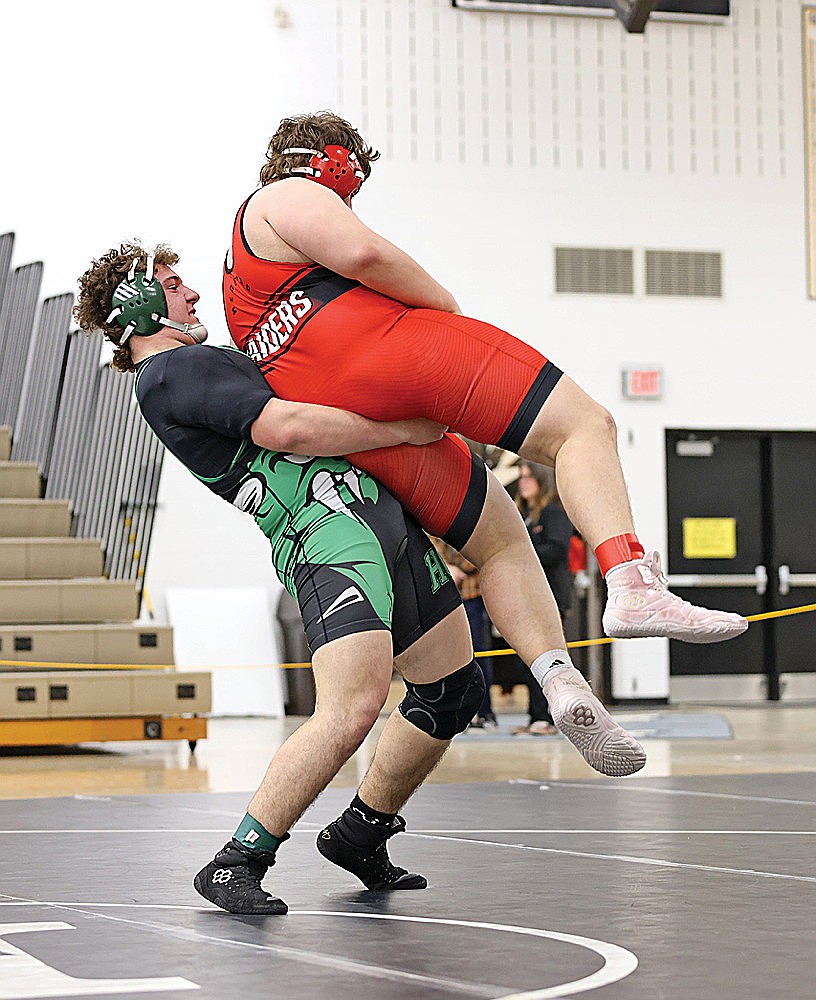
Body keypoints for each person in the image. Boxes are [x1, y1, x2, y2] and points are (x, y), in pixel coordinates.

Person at [74, 245, 646, 916]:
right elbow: (290, 423)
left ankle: (362, 830)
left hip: (371, 520)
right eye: (173, 287)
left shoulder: (194, 366)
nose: (194, 295)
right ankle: (237, 860)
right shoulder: (174, 370)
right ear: (137, 308)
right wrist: (404, 427)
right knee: (351, 706)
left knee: (452, 690)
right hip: (327, 535)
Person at [222, 112, 747, 715]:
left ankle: (558, 682)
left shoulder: (236, 278)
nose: (354, 191)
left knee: (499, 537)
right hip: (388, 352)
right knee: (583, 426)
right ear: (331, 156)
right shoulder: (284, 194)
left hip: (351, 415)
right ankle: (630, 582)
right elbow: (362, 251)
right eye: (355, 177)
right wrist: (442, 306)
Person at [510, 464, 575, 737]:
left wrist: (522, 550)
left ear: (541, 481)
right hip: (527, 595)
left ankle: (551, 715)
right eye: (521, 478)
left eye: (529, 478)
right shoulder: (522, 514)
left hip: (551, 595)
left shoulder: (553, 513)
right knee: (530, 660)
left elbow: (558, 549)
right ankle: (536, 715)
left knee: (551, 658)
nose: (523, 483)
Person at [432, 537, 497, 729]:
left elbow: (477, 554)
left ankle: (485, 713)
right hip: (445, 596)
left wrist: (453, 565)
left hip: (472, 597)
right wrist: (445, 566)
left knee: (478, 653)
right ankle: (457, 712)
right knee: (449, 657)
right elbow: (430, 546)